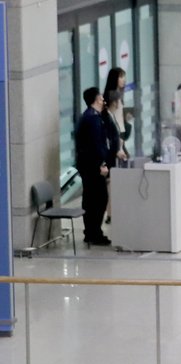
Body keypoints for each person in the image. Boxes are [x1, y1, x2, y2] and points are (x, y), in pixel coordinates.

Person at [74, 87, 112, 246]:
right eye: (101, 97)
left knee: (91, 199)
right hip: (92, 167)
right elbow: (95, 145)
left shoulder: (90, 116)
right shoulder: (93, 119)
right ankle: (94, 232)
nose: (103, 100)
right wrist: (101, 165)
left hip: (87, 165)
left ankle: (91, 232)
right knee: (98, 198)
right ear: (97, 99)